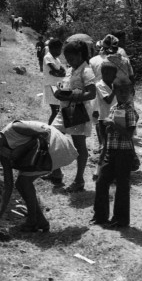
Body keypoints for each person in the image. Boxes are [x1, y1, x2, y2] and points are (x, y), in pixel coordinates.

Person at [0, 118, 78, 232]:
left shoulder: (14, 129)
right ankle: (40, 221)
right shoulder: (4, 155)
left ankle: (32, 220)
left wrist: (20, 149)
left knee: (23, 182)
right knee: (20, 184)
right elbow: (8, 185)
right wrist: (0, 212)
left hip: (56, 145)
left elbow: (43, 134)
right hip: (42, 155)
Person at [47, 39, 97, 192]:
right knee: (51, 135)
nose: (69, 62)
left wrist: (72, 97)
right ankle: (56, 172)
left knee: (79, 146)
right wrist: (60, 90)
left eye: (72, 59)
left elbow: (91, 93)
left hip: (78, 112)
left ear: (81, 55)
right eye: (67, 59)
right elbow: (67, 85)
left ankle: (79, 179)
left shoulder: (86, 71)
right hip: (65, 110)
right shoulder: (72, 68)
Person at [91, 77, 138, 228]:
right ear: (115, 92)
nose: (124, 94)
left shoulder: (130, 111)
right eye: (120, 91)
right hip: (112, 151)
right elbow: (112, 131)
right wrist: (109, 128)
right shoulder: (113, 109)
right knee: (101, 181)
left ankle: (121, 220)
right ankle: (100, 216)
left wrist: (114, 125)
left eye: (127, 92)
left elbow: (129, 134)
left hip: (124, 153)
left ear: (131, 93)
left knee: (122, 186)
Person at [92, 61, 118, 180]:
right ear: (103, 73)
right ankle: (98, 170)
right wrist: (116, 90)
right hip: (104, 119)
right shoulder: (100, 85)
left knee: (114, 145)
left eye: (114, 75)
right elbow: (107, 100)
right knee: (106, 146)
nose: (113, 77)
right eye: (111, 74)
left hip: (115, 118)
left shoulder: (112, 85)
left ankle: (111, 169)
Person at [42, 38, 65, 125]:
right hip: (51, 86)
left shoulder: (57, 59)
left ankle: (52, 129)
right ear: (53, 48)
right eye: (59, 49)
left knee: (57, 110)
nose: (60, 51)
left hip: (57, 86)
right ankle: (49, 129)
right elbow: (55, 70)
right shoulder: (48, 57)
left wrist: (58, 73)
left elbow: (62, 71)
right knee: (55, 111)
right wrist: (58, 73)